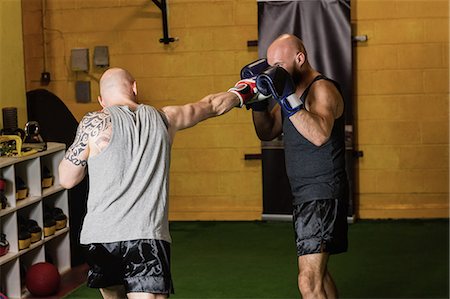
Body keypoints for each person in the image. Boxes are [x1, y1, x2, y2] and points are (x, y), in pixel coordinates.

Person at [58, 67, 258, 299]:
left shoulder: (93, 123)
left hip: (100, 239)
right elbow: (211, 105)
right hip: (145, 237)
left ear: (101, 100)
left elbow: (67, 179)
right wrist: (247, 90)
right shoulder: (166, 118)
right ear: (134, 87)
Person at [247, 34, 349, 298]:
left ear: (300, 58)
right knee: (319, 274)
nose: (272, 72)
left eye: (278, 66)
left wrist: (288, 99)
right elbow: (266, 131)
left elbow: (319, 134)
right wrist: (257, 101)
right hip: (305, 194)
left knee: (308, 281)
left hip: (322, 192)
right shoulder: (291, 92)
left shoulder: (322, 89)